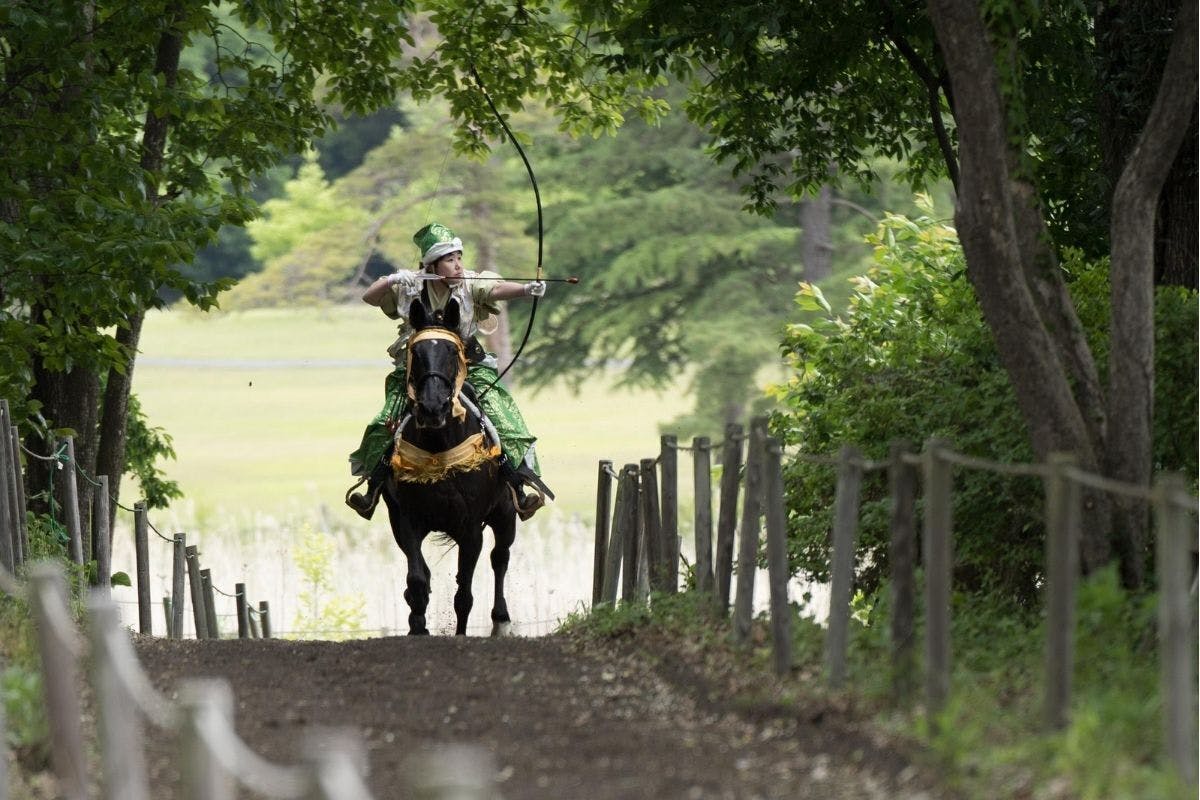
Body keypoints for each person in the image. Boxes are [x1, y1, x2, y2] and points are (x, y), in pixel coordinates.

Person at [345, 222, 552, 521]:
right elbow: (370, 296)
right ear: (432, 264)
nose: (457, 265)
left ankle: (519, 485)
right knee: (385, 423)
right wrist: (391, 280)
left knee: (507, 419)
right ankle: (372, 487)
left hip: (467, 365)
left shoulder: (469, 283)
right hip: (418, 370)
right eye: (450, 260)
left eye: (459, 258)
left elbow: (494, 289)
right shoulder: (411, 285)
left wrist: (525, 289)